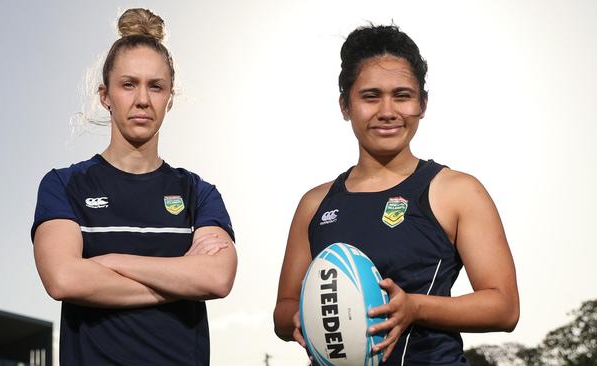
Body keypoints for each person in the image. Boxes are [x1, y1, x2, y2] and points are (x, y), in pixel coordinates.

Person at [273, 24, 519, 365]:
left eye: (402, 96)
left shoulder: (457, 191)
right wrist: (303, 319)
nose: (387, 111)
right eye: (370, 96)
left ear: (423, 103)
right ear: (345, 105)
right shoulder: (315, 204)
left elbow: (504, 308)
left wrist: (415, 307)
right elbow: (284, 310)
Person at [31, 8, 237, 365]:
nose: (142, 99)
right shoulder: (64, 185)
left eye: (155, 86)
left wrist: (108, 262)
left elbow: (217, 278)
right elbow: (64, 279)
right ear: (105, 95)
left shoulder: (198, 193)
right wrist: (180, 279)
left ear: (170, 98)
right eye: (129, 84)